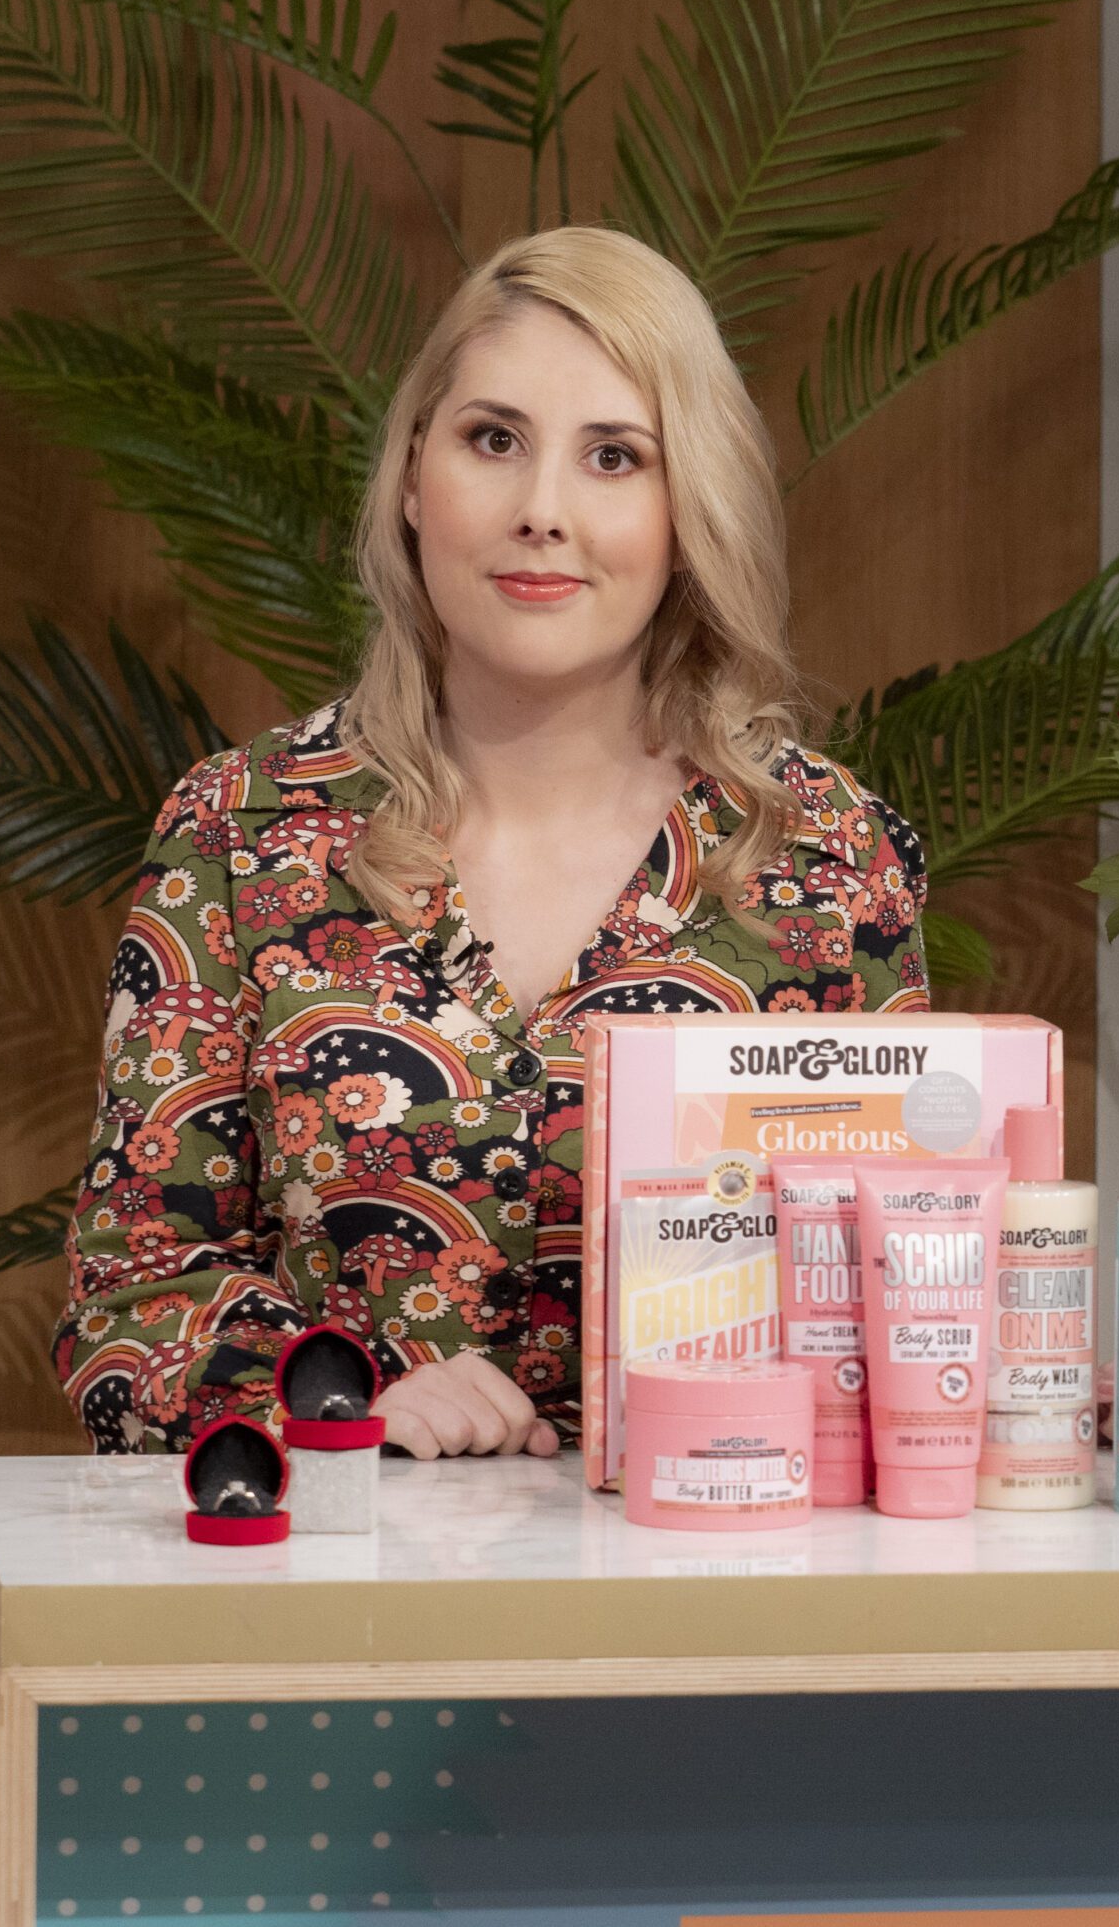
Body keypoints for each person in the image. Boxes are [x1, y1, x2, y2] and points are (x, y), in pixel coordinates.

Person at [54, 227, 930, 1460]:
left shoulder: (828, 855)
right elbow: (130, 1293)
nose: (541, 512)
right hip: (342, 1603)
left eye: (615, 457)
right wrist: (339, 1396)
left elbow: (903, 1274)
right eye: (493, 440)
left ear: (690, 513)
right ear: (415, 477)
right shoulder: (236, 832)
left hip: (724, 1590)